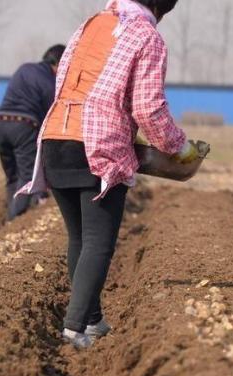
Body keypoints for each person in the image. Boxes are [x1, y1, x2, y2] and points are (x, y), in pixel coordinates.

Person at [17, 0, 199, 349]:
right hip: (98, 146)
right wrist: (178, 147)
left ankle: (93, 319)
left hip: (56, 137)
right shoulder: (147, 36)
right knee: (99, 242)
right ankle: (73, 330)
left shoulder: (91, 24)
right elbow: (148, 107)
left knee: (79, 239)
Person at [0, 44, 66, 221]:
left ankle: (12, 211)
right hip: (24, 126)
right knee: (27, 177)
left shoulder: (24, 68)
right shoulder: (51, 83)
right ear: (58, 64)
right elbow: (52, 117)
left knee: (12, 175)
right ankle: (13, 220)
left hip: (0, 123)